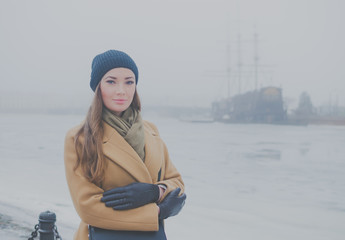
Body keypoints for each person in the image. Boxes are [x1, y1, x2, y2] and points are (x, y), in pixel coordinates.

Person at [64, 50, 186, 239]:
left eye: (129, 82)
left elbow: (176, 181)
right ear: (98, 87)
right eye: (111, 81)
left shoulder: (151, 130)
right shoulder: (79, 137)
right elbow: (87, 206)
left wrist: (155, 191)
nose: (121, 90)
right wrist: (157, 213)